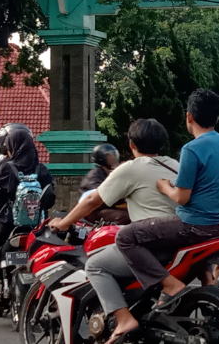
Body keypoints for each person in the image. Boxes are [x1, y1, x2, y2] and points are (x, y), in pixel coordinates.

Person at [49, 119, 179, 344]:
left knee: (96, 265)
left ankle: (124, 319)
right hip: (179, 241)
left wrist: (63, 222)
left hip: (149, 243)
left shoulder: (130, 168)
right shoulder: (174, 165)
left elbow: (91, 200)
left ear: (131, 145)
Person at [115, 89, 219, 315]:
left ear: (188, 116)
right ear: (216, 118)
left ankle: (170, 285)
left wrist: (164, 187)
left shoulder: (192, 148)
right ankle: (206, 281)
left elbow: (182, 197)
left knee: (125, 237)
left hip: (195, 226)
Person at [0, 127, 54, 301]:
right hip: (37, 227)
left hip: (7, 224)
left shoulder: (4, 169)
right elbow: (50, 197)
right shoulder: (42, 169)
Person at [79, 143, 130, 225]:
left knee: (137, 213)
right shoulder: (94, 175)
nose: (114, 157)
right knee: (125, 216)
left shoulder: (107, 173)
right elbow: (103, 196)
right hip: (93, 211)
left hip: (107, 208)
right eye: (111, 155)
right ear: (102, 158)